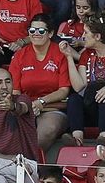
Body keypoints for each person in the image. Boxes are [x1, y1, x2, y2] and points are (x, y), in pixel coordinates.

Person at [8, 12, 68, 154]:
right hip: (24, 108)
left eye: (41, 30)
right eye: (32, 30)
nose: (36, 34)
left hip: (53, 108)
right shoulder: (20, 55)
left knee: (47, 131)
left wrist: (41, 102)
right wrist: (27, 106)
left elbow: (64, 90)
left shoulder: (60, 54)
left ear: (51, 33)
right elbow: (15, 91)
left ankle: (30, 166)